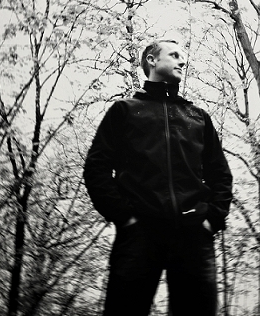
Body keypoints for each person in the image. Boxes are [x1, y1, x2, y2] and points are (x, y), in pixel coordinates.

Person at [83, 38, 232, 316]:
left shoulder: (197, 117)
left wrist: (212, 220)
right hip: (140, 235)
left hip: (193, 237)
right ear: (151, 60)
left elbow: (220, 175)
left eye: (184, 57)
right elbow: (96, 168)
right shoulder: (125, 111)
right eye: (174, 55)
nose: (183, 61)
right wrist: (125, 217)